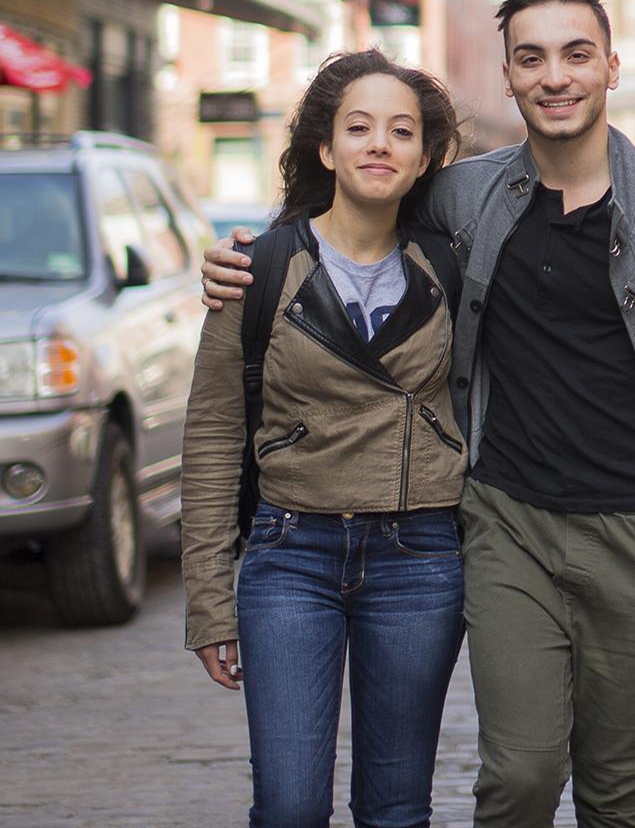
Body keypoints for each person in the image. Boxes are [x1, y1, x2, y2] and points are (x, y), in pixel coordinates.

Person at [200, 0, 635, 828]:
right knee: (520, 781)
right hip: (508, 527)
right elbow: (355, 203)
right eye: (531, 58)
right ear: (505, 75)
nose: (554, 76)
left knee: (621, 802)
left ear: (612, 67)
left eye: (577, 55)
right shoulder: (465, 196)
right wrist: (244, 259)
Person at [180, 48, 466, 827]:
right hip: (290, 555)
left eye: (401, 131)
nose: (380, 144)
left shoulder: (451, 270)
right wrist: (210, 599)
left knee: (397, 809)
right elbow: (210, 435)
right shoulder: (257, 269)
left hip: (421, 558)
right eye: (360, 127)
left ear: (423, 158)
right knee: (289, 806)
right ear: (326, 148)